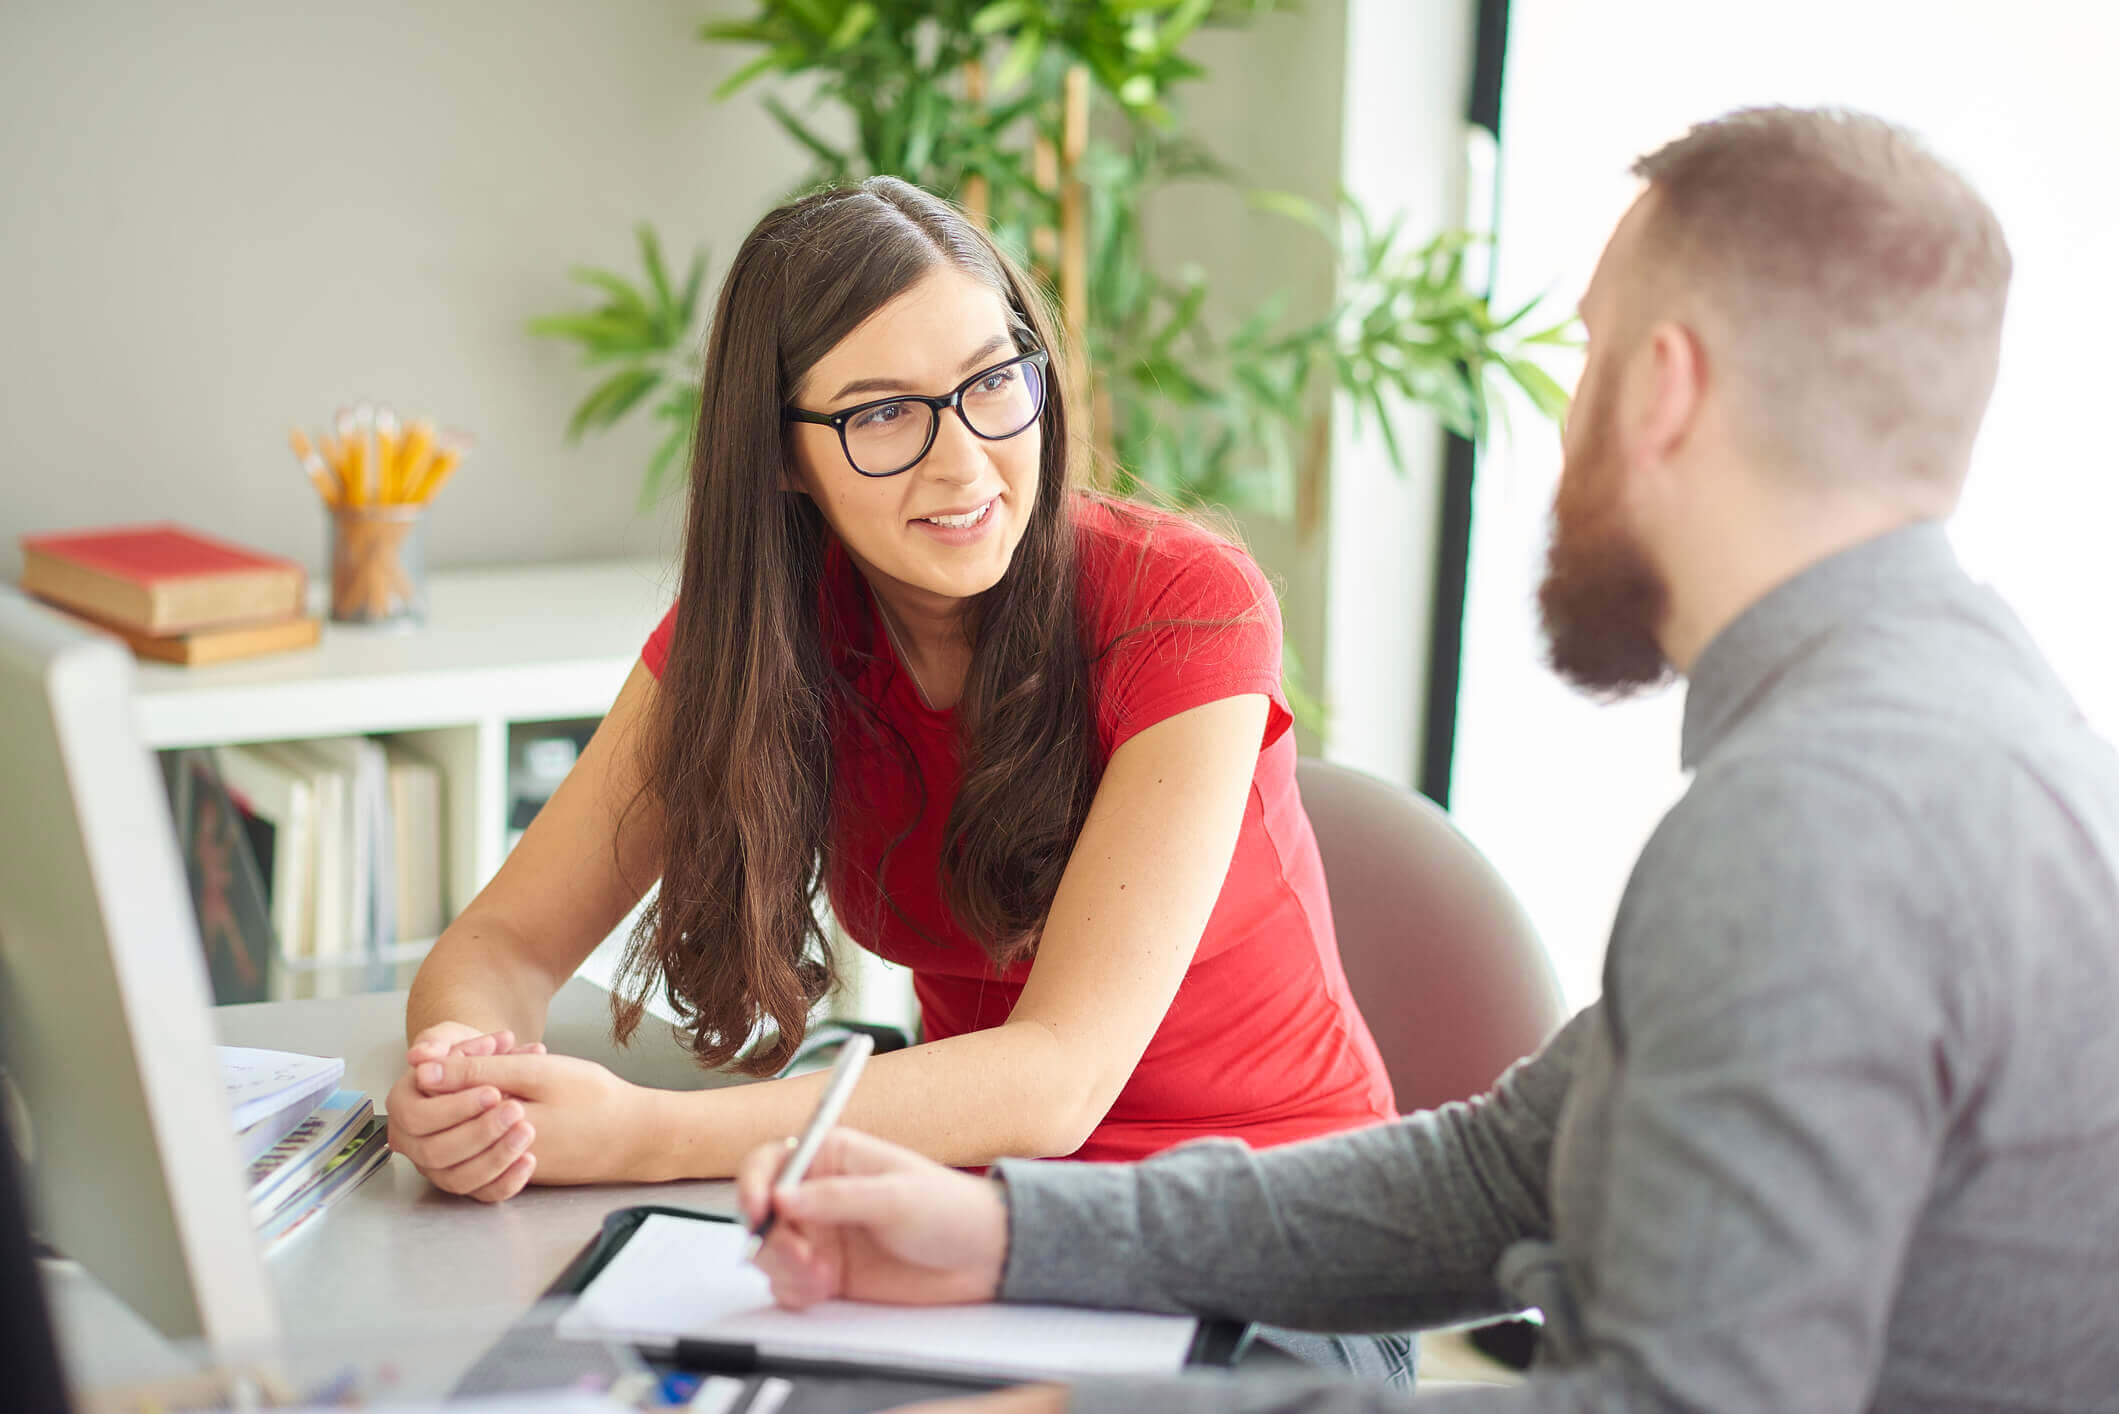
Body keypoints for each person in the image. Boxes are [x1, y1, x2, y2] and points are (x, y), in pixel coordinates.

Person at [731, 107, 2119, 1413]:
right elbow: (1500, 1170)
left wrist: (1118, 1401)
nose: (1559, 418)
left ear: (1661, 387)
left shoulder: (1821, 827)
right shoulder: (1950, 723)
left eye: (1582, 355)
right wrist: (1001, 1229)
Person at [383, 179, 1397, 1212]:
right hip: (977, 1210)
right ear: (782, 454)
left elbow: (1059, 1078)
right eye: (881, 413)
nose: (965, 465)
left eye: (992, 382)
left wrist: (646, 1134)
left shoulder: (1181, 607)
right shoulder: (760, 640)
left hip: (1283, 1219)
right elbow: (501, 944)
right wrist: (464, 1081)